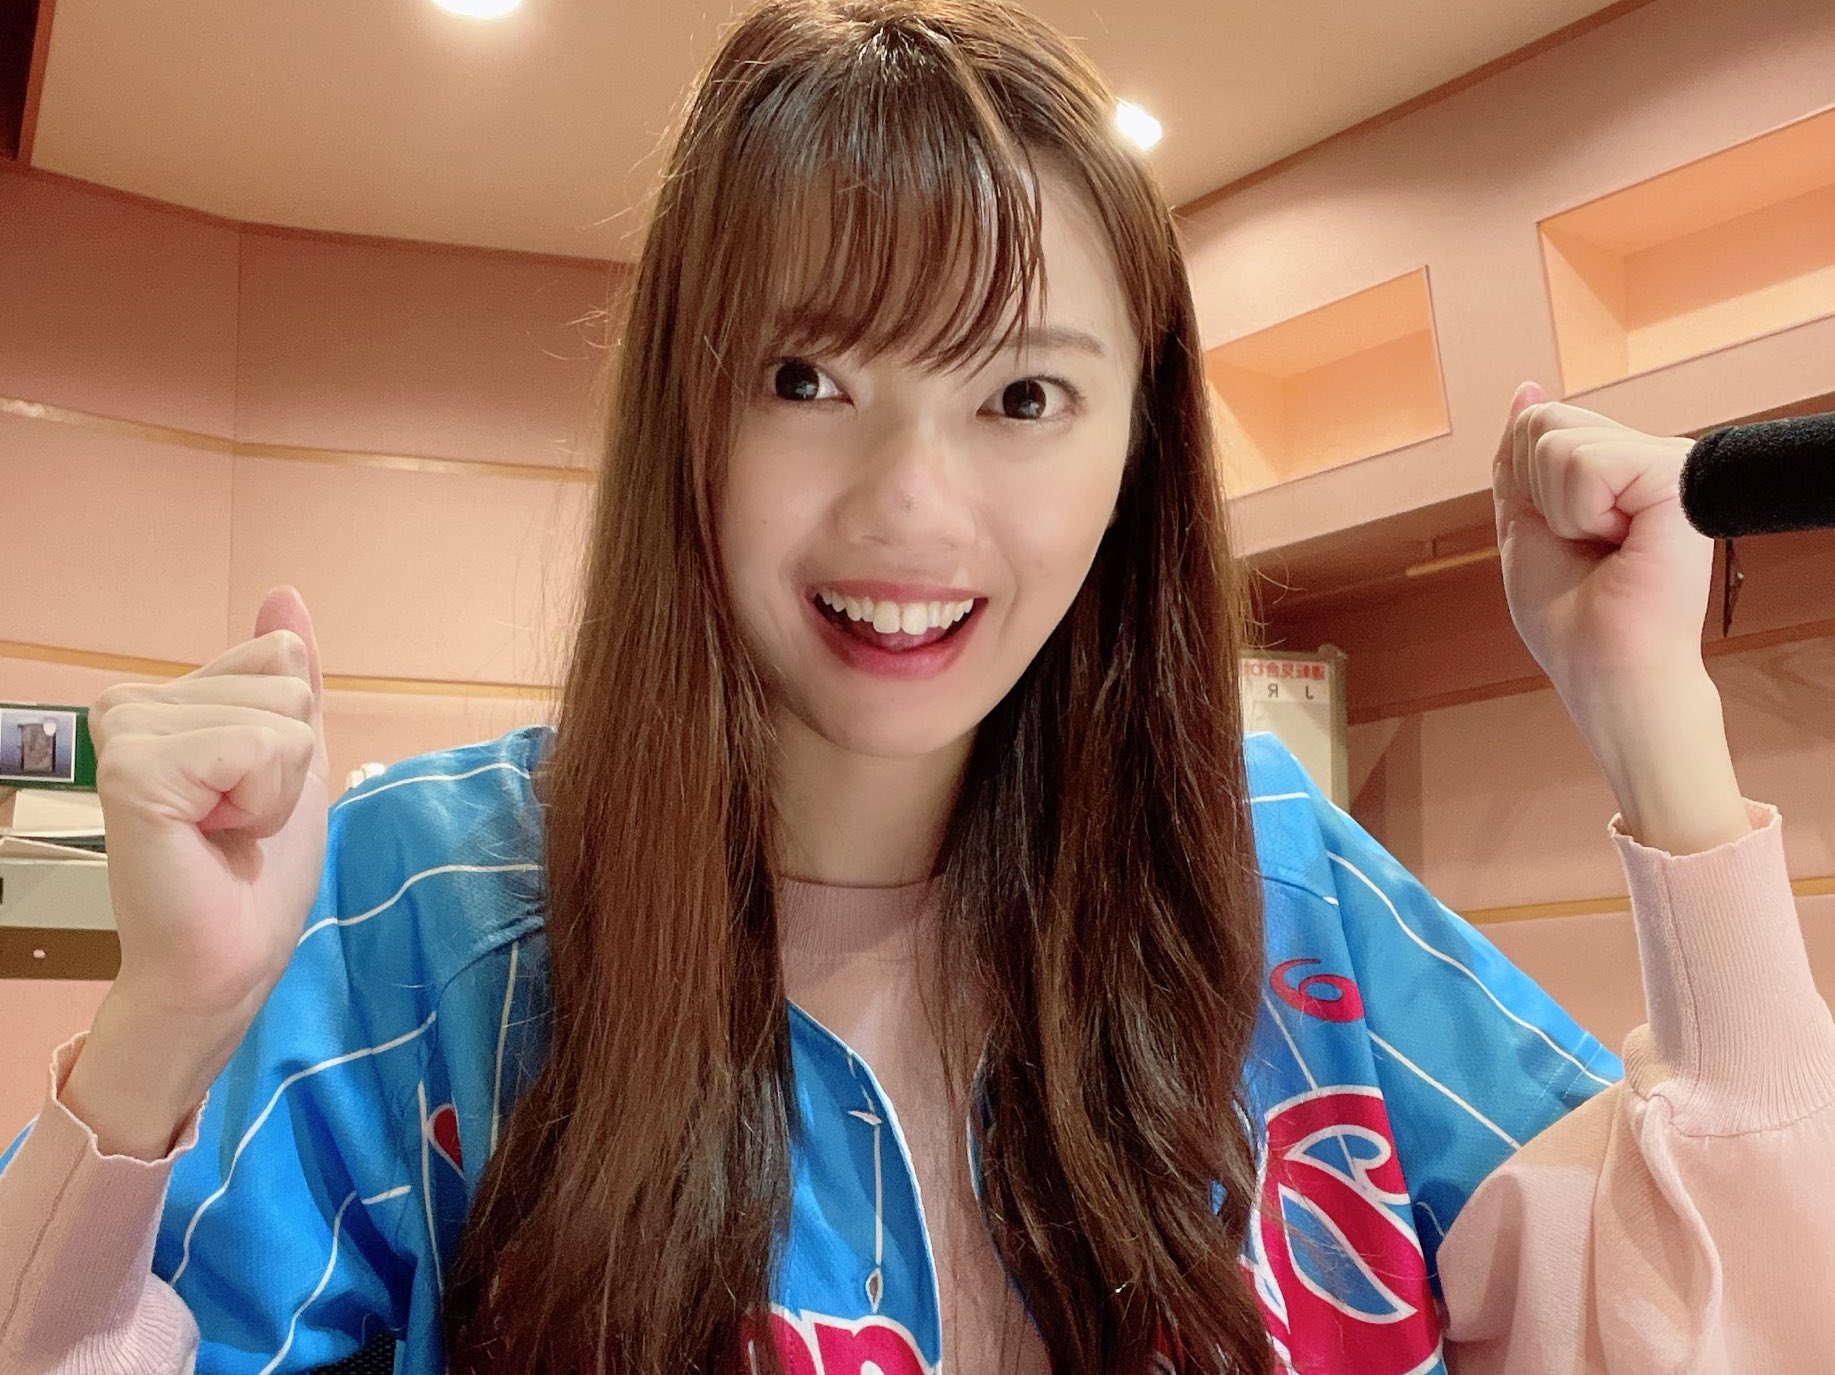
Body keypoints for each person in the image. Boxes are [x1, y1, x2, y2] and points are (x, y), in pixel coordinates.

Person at [2, 0, 1830, 1371]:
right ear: (684, 414)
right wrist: (158, 1036)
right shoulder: (426, 899)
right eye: (806, 379)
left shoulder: (1270, 867)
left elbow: (1723, 1326)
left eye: (1023, 395)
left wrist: (1654, 725)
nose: (910, 508)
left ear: (1134, 450)